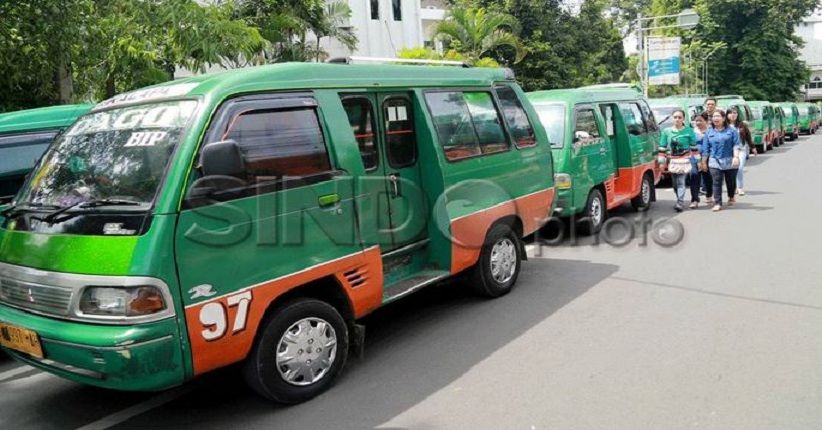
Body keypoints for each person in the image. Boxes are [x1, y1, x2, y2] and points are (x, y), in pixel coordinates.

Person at [701, 109, 742, 212]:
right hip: (714, 161)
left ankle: (731, 196)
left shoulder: (731, 130)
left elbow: (736, 144)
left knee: (731, 181)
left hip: (730, 160)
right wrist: (703, 162)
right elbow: (705, 149)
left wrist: (736, 157)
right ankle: (718, 203)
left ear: (723, 118)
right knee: (716, 182)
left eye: (718, 116)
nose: (715, 118)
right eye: (714, 116)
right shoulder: (709, 132)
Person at [660, 109, 699, 211]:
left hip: (685, 160)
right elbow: (662, 147)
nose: (677, 119)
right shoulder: (666, 131)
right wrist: (661, 161)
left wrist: (698, 161)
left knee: (681, 181)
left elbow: (694, 147)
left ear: (683, 119)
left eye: (679, 117)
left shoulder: (689, 131)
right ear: (672, 118)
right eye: (675, 117)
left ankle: (680, 202)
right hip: (672, 160)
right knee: (675, 184)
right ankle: (679, 198)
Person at [727, 107, 755, 196]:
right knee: (731, 170)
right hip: (728, 150)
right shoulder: (724, 126)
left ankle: (740, 188)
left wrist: (753, 147)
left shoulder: (742, 125)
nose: (733, 115)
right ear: (727, 115)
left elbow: (748, 136)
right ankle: (733, 187)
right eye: (730, 113)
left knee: (739, 168)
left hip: (741, 149)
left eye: (735, 113)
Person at [692, 111, 713, 207]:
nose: (698, 123)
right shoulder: (692, 132)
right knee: (694, 176)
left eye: (700, 120)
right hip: (694, 157)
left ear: (706, 121)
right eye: (696, 121)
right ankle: (695, 199)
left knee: (708, 177)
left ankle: (709, 195)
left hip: (708, 157)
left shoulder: (711, 131)